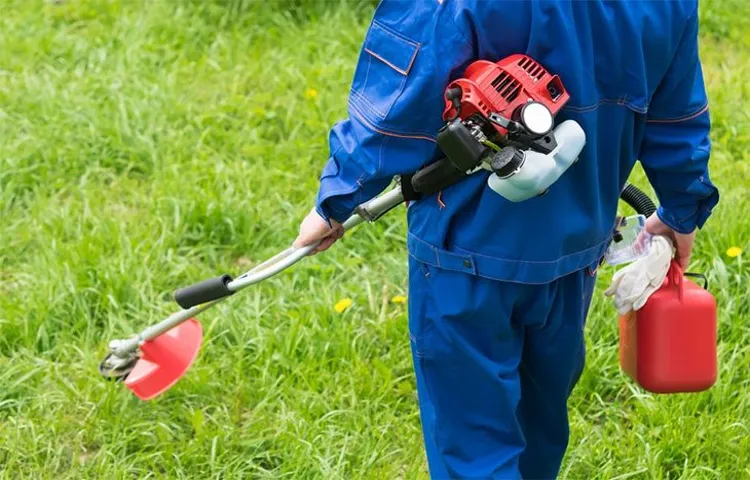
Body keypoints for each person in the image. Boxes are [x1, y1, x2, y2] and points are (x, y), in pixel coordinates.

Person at [293, 1, 720, 478]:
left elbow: (399, 99)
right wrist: (682, 213)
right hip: (572, 259)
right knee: (539, 428)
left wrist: (336, 197)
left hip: (465, 256)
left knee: (475, 447)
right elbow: (676, 116)